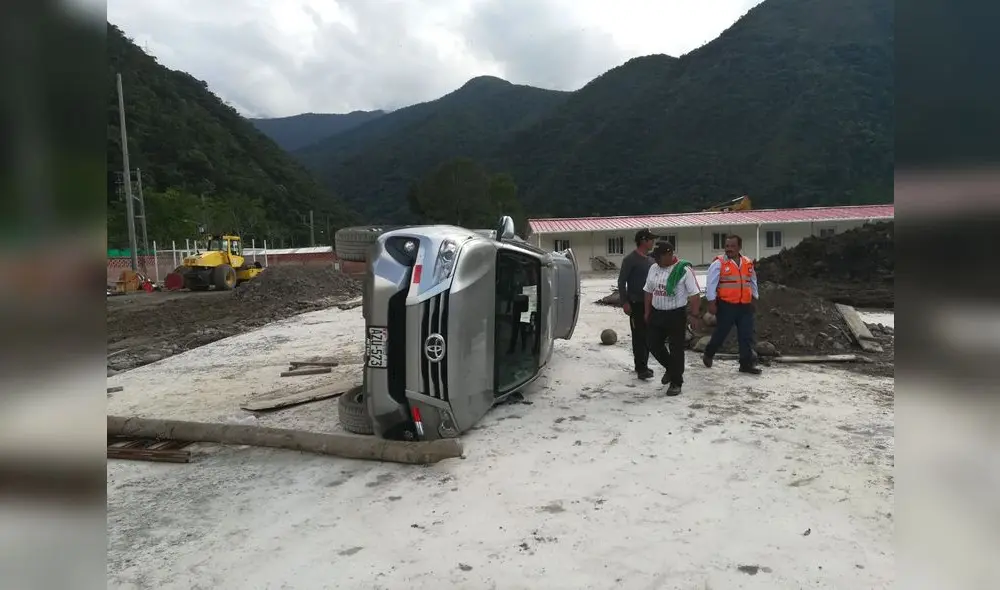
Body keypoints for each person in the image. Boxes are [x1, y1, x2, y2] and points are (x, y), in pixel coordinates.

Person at [643, 241, 702, 396]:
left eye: (659, 257)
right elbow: (648, 291)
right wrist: (647, 312)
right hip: (657, 313)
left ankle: (676, 382)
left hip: (675, 314)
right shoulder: (653, 268)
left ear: (669, 254)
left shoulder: (683, 270)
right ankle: (671, 368)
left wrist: (694, 315)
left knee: (676, 349)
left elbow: (695, 295)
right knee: (652, 343)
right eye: (655, 257)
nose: (656, 260)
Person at [703, 234, 762, 374]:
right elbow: (711, 284)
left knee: (746, 335)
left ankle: (745, 364)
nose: (729, 249)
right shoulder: (719, 263)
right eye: (727, 246)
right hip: (726, 305)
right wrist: (711, 302)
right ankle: (709, 353)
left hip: (745, 306)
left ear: (739, 247)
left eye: (732, 246)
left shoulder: (747, 262)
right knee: (721, 333)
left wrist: (755, 297)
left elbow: (752, 281)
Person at [617, 229, 657, 380]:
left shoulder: (651, 260)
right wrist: (625, 302)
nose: (653, 242)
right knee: (639, 336)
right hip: (636, 303)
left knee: (647, 336)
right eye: (651, 240)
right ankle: (641, 368)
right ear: (643, 240)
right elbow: (621, 281)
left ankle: (643, 364)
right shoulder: (630, 260)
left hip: (650, 303)